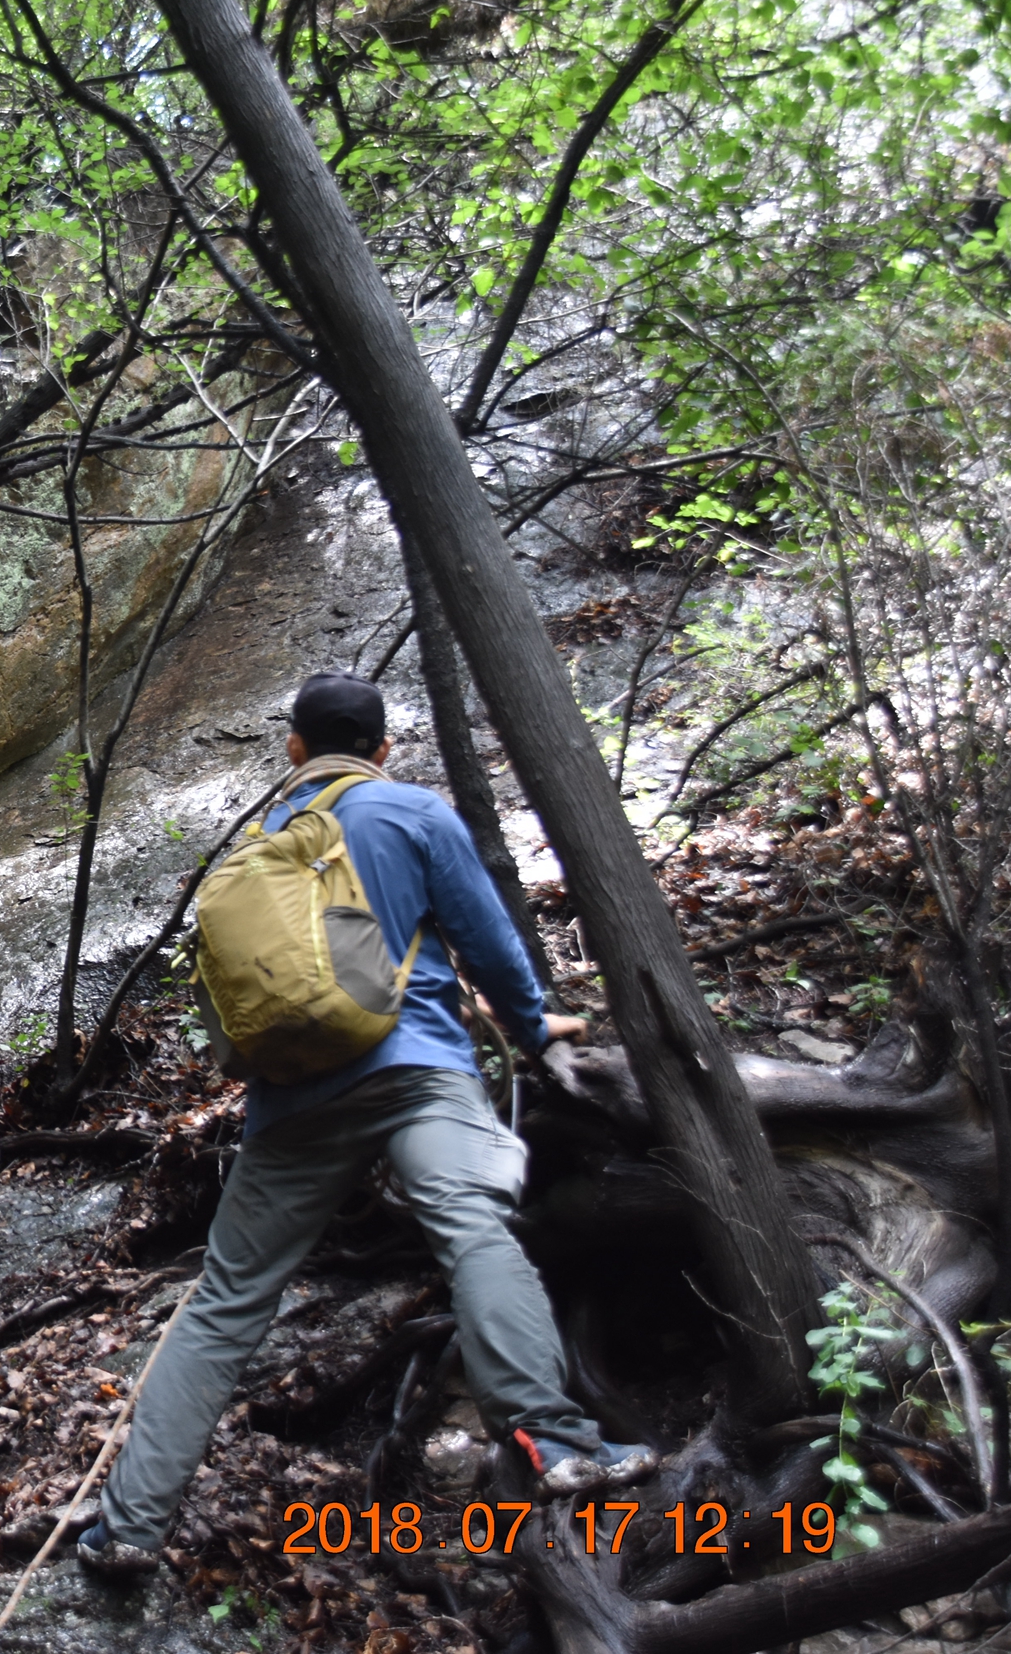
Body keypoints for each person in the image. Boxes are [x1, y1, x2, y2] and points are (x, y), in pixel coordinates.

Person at [75, 672, 653, 1580]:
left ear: (295, 748)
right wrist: (534, 1026)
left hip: (291, 1103)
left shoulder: (260, 842)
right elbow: (488, 941)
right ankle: (554, 1438)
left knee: (225, 1302)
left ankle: (129, 1527)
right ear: (382, 748)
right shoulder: (410, 811)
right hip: (416, 1069)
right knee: (473, 1231)